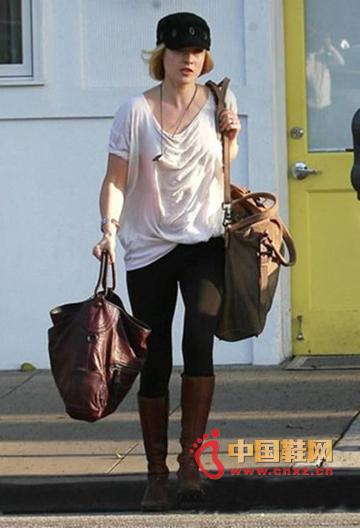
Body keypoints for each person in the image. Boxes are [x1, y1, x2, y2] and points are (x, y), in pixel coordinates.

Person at [92, 11, 241, 511]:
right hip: (148, 247)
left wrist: (231, 139)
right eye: (179, 51)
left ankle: (191, 466)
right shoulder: (134, 111)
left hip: (203, 243)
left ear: (206, 56)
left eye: (197, 51)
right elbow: (115, 180)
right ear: (162, 55)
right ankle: (156, 474)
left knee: (199, 342)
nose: (189, 59)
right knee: (154, 359)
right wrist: (109, 230)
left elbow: (221, 170)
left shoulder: (218, 100)